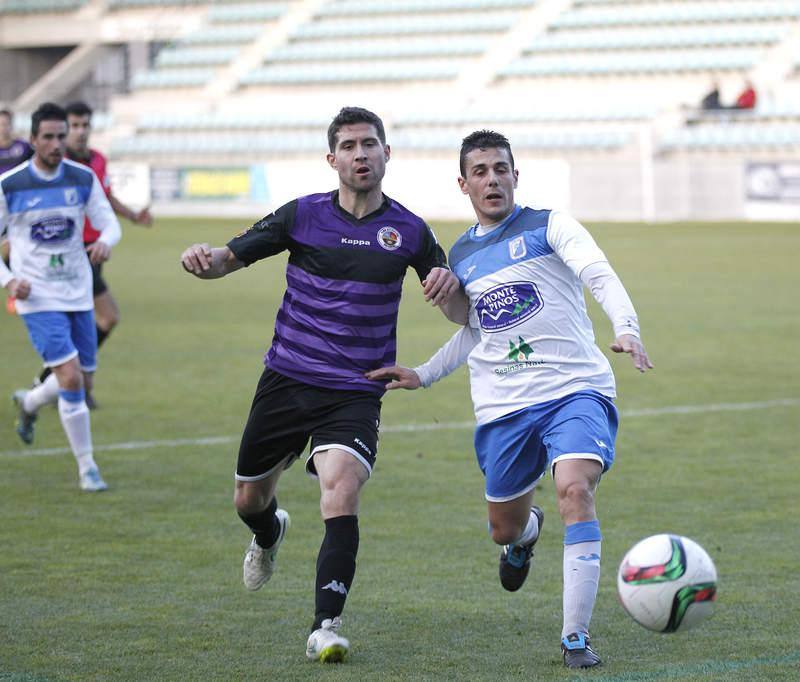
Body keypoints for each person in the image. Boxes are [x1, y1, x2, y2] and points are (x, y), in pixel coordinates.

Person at [180, 107, 465, 663]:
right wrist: (200, 259)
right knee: (248, 499)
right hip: (287, 380)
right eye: (351, 146)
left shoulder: (410, 231)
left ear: (388, 154)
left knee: (341, 487)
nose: (362, 154)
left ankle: (325, 626)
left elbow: (456, 312)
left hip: (356, 390)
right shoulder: (301, 215)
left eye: (371, 144)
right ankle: (268, 533)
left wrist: (449, 283)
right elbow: (226, 260)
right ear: (332, 159)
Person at [366, 130, 652, 669]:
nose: (492, 179)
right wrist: (423, 374)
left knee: (575, 488)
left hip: (575, 390)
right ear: (463, 183)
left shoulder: (551, 225)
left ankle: (575, 638)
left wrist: (627, 326)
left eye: (501, 168)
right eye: (480, 171)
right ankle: (525, 536)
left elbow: (598, 273)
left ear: (516, 175)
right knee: (503, 526)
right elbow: (477, 330)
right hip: (504, 408)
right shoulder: (461, 255)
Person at [1, 102, 121, 491]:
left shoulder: (82, 178)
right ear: (33, 139)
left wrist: (104, 241)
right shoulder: (11, 185)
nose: (56, 143)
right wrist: (7, 280)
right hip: (36, 295)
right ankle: (88, 468)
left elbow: (109, 224)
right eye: (48, 137)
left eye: (60, 135)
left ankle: (31, 402)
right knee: (69, 377)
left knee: (81, 382)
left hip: (78, 290)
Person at [33, 101, 152, 409]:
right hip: (66, 255)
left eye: (85, 125)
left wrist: (132, 216)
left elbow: (105, 198)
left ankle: (58, 381)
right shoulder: (55, 164)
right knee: (98, 317)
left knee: (102, 318)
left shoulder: (97, 160)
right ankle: (64, 383)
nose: (80, 132)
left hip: (93, 253)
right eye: (74, 126)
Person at [1, 108, 34, 314]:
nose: (3, 128)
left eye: (6, 123)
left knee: (11, 248)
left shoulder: (23, 148)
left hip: (15, 208)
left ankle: (14, 288)